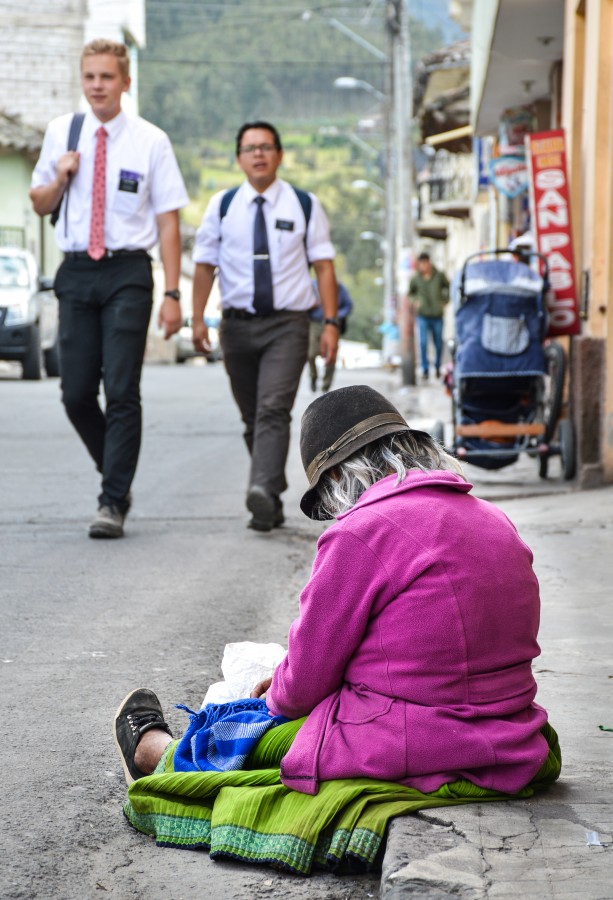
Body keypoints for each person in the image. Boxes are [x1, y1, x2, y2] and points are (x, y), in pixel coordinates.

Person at [113, 385, 560, 874]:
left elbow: (300, 688)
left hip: (417, 734)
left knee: (249, 735)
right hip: (510, 730)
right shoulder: (493, 518)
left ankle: (154, 754)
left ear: (338, 479)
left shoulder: (361, 531)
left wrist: (272, 694)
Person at [29, 39, 189, 539]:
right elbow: (38, 202)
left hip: (127, 273)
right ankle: (115, 471)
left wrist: (171, 294)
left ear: (125, 81)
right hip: (76, 270)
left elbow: (168, 222)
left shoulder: (150, 141)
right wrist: (59, 177)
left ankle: (112, 500)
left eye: (107, 77)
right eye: (90, 76)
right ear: (83, 79)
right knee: (76, 394)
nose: (97, 85)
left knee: (121, 389)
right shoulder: (62, 132)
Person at [191, 120, 339, 532]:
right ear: (239, 158)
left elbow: (324, 267)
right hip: (235, 326)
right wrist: (198, 318)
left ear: (279, 154)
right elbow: (204, 267)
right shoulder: (222, 207)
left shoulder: (303, 205)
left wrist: (330, 323)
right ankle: (269, 491)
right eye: (250, 148)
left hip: (288, 326)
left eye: (266, 147)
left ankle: (259, 487)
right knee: (253, 417)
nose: (258, 154)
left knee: (273, 408)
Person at [408, 250, 450, 380]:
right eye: (421, 264)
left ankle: (437, 366)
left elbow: (448, 287)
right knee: (423, 342)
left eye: (425, 263)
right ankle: (425, 369)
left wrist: (444, 300)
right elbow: (411, 293)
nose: (423, 266)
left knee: (438, 343)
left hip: (437, 315)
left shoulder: (439, 275)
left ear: (429, 263)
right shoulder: (416, 278)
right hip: (423, 315)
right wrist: (416, 301)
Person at [307, 279, 353, 392]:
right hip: (315, 323)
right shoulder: (312, 286)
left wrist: (337, 316)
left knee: (331, 355)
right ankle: (313, 376)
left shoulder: (338, 287)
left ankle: (326, 386)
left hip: (332, 323)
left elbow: (348, 305)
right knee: (311, 354)